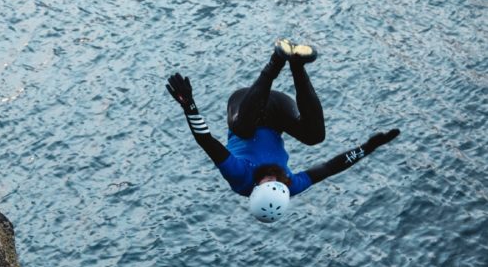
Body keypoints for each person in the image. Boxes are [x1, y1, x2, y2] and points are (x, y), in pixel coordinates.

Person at [166, 39, 400, 223]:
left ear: (255, 189)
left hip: (243, 105)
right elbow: (330, 168)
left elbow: (206, 140)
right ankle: (297, 64)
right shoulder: (288, 184)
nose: (271, 176)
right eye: (275, 180)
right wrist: (369, 147)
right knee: (315, 137)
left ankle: (276, 60)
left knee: (243, 130)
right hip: (278, 110)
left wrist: (189, 105)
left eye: (266, 181)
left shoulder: (239, 176)